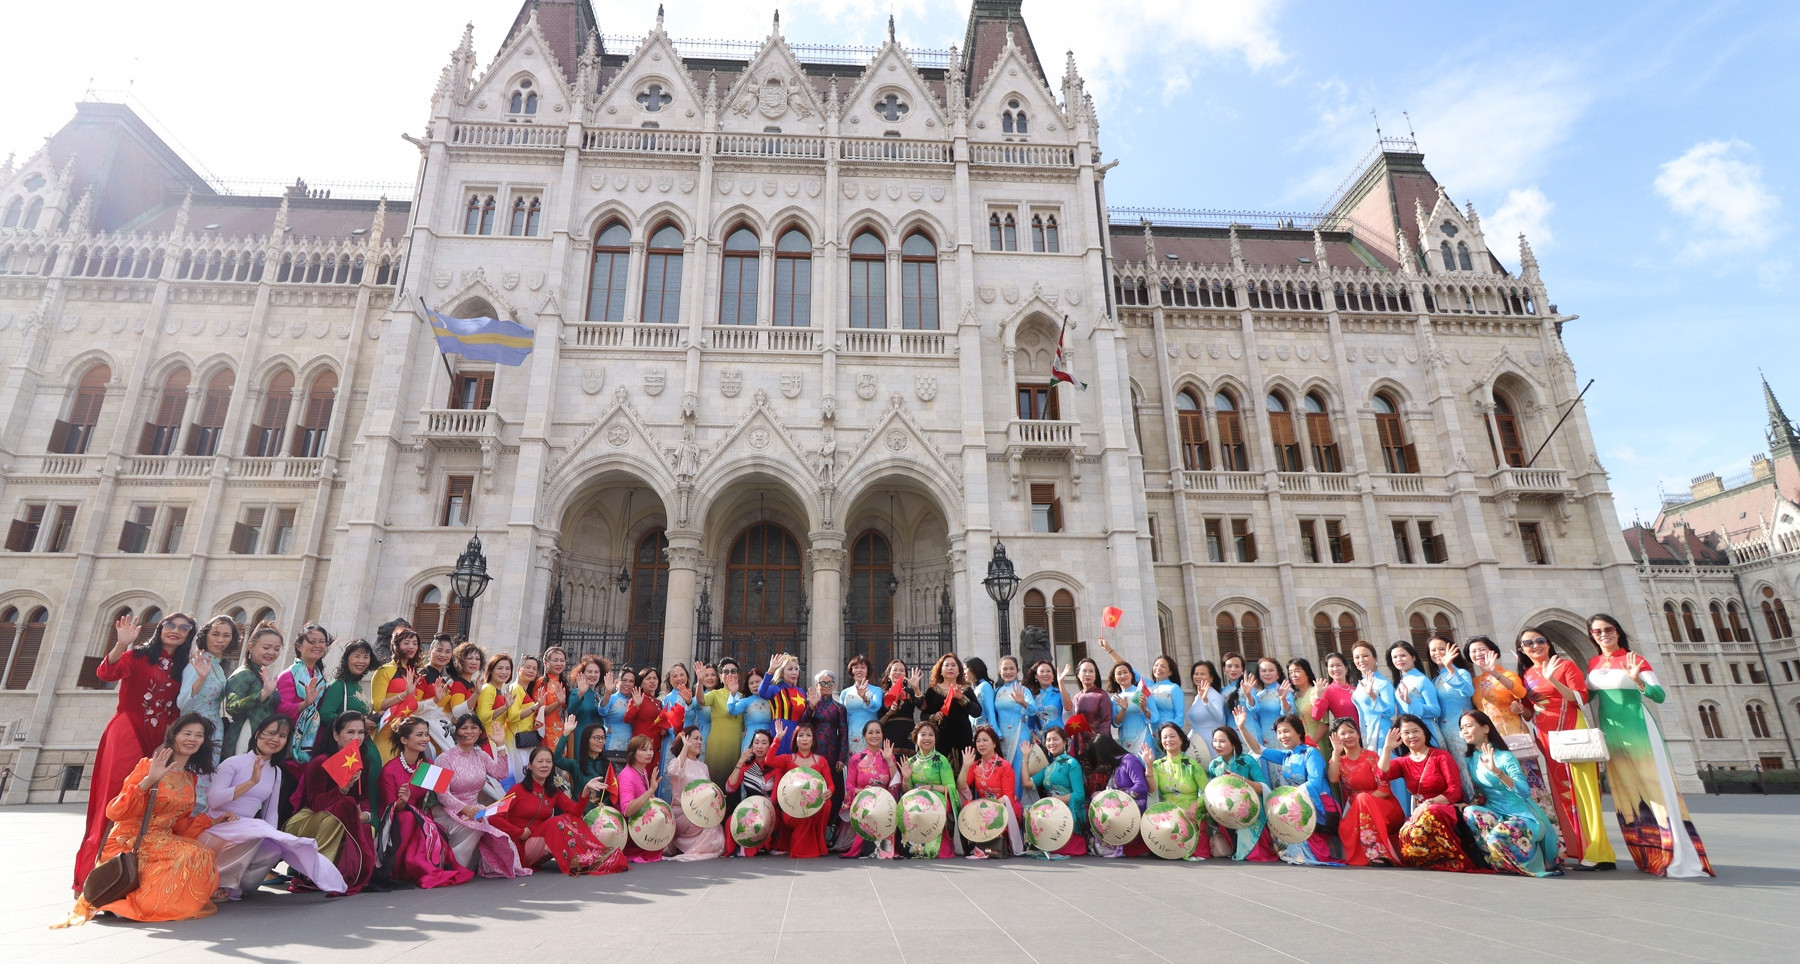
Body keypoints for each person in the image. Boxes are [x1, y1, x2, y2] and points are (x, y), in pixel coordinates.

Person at [73, 610, 196, 891]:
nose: (176, 630)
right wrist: (121, 643)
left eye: (184, 627)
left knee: (146, 802)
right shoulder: (137, 656)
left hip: (159, 738)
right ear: (160, 627)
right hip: (127, 731)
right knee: (117, 796)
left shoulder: (184, 666)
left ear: (189, 635)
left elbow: (178, 706)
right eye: (170, 624)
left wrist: (167, 741)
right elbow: (106, 672)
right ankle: (94, 877)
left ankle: (128, 876)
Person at [59, 713, 220, 926]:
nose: (192, 739)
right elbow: (116, 812)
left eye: (199, 735)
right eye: (187, 733)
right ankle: (129, 904)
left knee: (203, 853)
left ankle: (165, 901)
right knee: (187, 853)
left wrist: (211, 821)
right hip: (130, 838)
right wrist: (150, 779)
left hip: (162, 838)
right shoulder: (147, 765)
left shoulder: (190, 778)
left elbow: (179, 824)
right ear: (174, 736)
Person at [1586, 613, 1714, 878]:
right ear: (1592, 636)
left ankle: (1672, 854)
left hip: (1639, 729)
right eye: (1597, 632)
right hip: (1613, 734)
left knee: (1654, 791)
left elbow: (1659, 695)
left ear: (1618, 631)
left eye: (1608, 629)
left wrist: (1638, 680)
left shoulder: (1635, 659)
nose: (1603, 635)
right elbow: (1585, 695)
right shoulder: (1594, 663)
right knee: (1627, 795)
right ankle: (1647, 855)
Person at [201, 715, 347, 898]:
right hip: (218, 825)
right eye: (270, 733)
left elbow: (271, 812)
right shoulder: (233, 763)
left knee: (274, 848)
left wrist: (273, 836)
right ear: (257, 735)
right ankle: (219, 884)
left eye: (282, 736)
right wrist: (250, 783)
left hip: (247, 827)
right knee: (256, 833)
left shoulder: (276, 771)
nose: (275, 739)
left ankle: (239, 886)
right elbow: (213, 800)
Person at [1517, 627, 1616, 870]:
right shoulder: (1527, 674)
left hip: (1571, 730)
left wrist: (1552, 680)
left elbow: (1580, 698)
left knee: (1583, 792)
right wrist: (1521, 711)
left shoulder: (1566, 666)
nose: (1535, 645)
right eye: (1528, 643)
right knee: (1562, 793)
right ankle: (1576, 850)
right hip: (1546, 737)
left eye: (1540, 640)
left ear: (1548, 643)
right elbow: (1531, 713)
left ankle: (1599, 852)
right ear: (1522, 649)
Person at [492, 746, 627, 875]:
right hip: (521, 847)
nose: (545, 765)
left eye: (548, 762)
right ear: (530, 766)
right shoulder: (517, 790)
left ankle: (591, 855)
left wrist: (585, 791)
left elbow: (575, 812)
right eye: (540, 761)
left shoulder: (552, 792)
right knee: (555, 822)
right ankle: (581, 858)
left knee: (570, 818)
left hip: (540, 843)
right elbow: (493, 817)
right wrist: (519, 832)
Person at [283, 712, 377, 894]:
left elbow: (363, 798)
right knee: (339, 813)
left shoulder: (361, 761)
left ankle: (343, 872)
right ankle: (317, 873)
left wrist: (366, 815)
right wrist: (343, 788)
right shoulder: (321, 762)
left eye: (361, 732)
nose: (356, 737)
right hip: (308, 820)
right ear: (335, 735)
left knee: (367, 828)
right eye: (350, 732)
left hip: (341, 816)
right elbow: (316, 804)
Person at [1459, 710, 1560, 877]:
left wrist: (1498, 772)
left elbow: (1524, 791)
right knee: (1469, 813)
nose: (1464, 731)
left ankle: (1528, 860)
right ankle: (1498, 862)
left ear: (1486, 728)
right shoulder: (1471, 759)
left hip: (1522, 817)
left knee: (1498, 836)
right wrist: (1468, 804)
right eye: (1462, 728)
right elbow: (1480, 792)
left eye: (1469, 726)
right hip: (1496, 814)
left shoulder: (1505, 757)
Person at [430, 713, 530, 878]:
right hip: (447, 811)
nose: (469, 731)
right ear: (457, 732)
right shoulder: (444, 758)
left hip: (475, 811)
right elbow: (442, 795)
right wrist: (466, 809)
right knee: (473, 826)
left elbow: (501, 772)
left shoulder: (480, 755)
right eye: (464, 727)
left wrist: (500, 746)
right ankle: (453, 866)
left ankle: (472, 865)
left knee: (491, 828)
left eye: (474, 727)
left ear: (479, 732)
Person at [378, 717, 474, 888]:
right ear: (404, 740)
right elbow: (388, 811)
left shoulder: (428, 765)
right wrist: (402, 802)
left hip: (422, 816)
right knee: (408, 818)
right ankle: (405, 866)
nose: (425, 739)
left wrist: (463, 810)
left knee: (430, 823)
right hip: (397, 821)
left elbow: (441, 797)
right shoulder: (389, 770)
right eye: (420, 734)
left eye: (427, 735)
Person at [1236, 708, 1340, 865]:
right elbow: (1258, 749)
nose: (1282, 736)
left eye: (1286, 731)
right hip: (1298, 803)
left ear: (1298, 732)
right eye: (1279, 732)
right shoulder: (1286, 756)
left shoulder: (1310, 753)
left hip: (1319, 805)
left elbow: (1315, 783)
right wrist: (1242, 728)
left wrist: (1289, 797)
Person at [1379, 713, 1476, 872]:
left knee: (1430, 815)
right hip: (1421, 812)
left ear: (1424, 732)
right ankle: (1428, 859)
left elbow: (1455, 791)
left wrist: (1428, 804)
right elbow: (1382, 774)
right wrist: (1387, 748)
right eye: (1406, 733)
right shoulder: (1404, 762)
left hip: (1445, 808)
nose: (1412, 736)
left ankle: (1447, 858)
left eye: (1415, 731)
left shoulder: (1441, 756)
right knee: (1407, 831)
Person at [1327, 717, 1401, 866]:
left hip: (1384, 806)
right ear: (1335, 737)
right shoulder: (1338, 761)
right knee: (1348, 822)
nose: (1348, 736)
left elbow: (1384, 789)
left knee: (1362, 798)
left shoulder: (1371, 757)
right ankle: (1369, 856)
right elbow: (1333, 779)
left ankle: (1380, 854)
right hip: (1357, 809)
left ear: (1359, 734)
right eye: (1343, 733)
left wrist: (1363, 802)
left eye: (1351, 731)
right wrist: (1336, 752)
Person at [320, 639, 382, 815]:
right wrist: (360, 723)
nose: (361, 661)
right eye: (357, 656)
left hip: (365, 746)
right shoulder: (338, 686)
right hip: (348, 752)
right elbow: (325, 715)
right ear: (346, 658)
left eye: (366, 656)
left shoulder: (356, 686)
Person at [762, 722, 835, 858]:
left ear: (813, 739)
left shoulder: (821, 761)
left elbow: (830, 785)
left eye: (808, 735)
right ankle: (805, 849)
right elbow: (769, 760)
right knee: (802, 817)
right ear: (795, 739)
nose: (805, 738)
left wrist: (829, 792)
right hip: (793, 809)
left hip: (815, 806)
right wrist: (778, 738)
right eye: (801, 735)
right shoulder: (787, 759)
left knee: (828, 804)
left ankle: (819, 844)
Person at [1206, 726, 1277, 862]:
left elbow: (1264, 787)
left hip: (1250, 808)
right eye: (1214, 741)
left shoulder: (1246, 761)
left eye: (1222, 741)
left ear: (1233, 743)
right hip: (1225, 810)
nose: (1217, 745)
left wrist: (1242, 780)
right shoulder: (1214, 765)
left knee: (1254, 856)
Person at [177, 615, 240, 760]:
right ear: (206, 636)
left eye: (226, 635)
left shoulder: (217, 666)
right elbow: (182, 704)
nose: (220, 640)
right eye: (215, 634)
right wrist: (201, 678)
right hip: (195, 734)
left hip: (213, 733)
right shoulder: (197, 664)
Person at [1142, 722, 1208, 859]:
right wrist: (1148, 766)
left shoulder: (1192, 765)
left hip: (1190, 813)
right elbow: (1152, 790)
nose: (1168, 740)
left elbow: (1207, 792)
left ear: (1181, 740)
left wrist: (1195, 806)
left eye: (1172, 736)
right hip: (1168, 815)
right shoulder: (1157, 765)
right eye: (1164, 737)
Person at [957, 724, 1022, 859]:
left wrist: (989, 808)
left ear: (994, 743)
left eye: (985, 740)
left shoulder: (1004, 766)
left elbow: (1008, 796)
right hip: (984, 807)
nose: (981, 744)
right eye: (978, 741)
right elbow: (961, 786)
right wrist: (965, 766)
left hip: (1003, 807)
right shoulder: (975, 765)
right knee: (966, 804)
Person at [661, 725, 726, 860]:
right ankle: (683, 845)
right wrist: (685, 748)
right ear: (685, 740)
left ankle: (690, 847)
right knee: (710, 828)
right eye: (695, 739)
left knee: (714, 828)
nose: (699, 742)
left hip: (701, 813)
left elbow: (708, 790)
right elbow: (675, 772)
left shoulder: (703, 766)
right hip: (682, 812)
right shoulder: (676, 762)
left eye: (701, 739)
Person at [1351, 641, 1403, 808]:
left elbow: (1389, 711)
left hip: (1382, 736)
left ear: (1375, 658)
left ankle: (1403, 816)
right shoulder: (1360, 684)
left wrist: (1373, 696)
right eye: (1357, 657)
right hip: (1367, 737)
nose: (1361, 660)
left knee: (1389, 778)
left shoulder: (1383, 684)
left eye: (1365, 655)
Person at [221, 623, 285, 759]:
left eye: (276, 649)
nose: (271, 653)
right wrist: (263, 694)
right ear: (250, 646)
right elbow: (232, 707)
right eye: (266, 647)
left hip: (262, 737)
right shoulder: (244, 674)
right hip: (244, 736)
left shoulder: (261, 673)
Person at [1024, 725, 1089, 859]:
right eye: (1048, 740)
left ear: (1065, 742)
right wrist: (1025, 758)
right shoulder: (1048, 768)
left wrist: (1057, 801)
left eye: (1055, 739)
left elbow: (1079, 795)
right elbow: (1027, 783)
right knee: (1027, 810)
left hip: (1068, 811)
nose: (1051, 743)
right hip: (1053, 810)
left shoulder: (1072, 764)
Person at [840, 721, 900, 858]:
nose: (874, 735)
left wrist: (890, 761)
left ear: (882, 735)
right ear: (864, 736)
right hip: (863, 800)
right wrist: (863, 792)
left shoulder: (889, 757)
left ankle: (882, 847)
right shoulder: (856, 759)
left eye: (878, 732)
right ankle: (863, 845)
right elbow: (849, 786)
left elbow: (895, 784)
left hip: (884, 802)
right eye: (870, 732)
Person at [1428, 634, 1477, 800]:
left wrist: (1450, 668)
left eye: (1441, 649)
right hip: (1444, 731)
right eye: (1433, 650)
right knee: (1456, 769)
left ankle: (1480, 805)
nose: (1437, 653)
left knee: (1468, 766)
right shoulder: (1435, 679)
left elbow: (1468, 691)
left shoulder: (1461, 672)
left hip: (1462, 728)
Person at [898, 720, 956, 859]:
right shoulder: (911, 762)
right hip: (917, 800)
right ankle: (910, 847)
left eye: (931, 735)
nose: (927, 738)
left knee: (926, 808)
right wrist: (905, 779)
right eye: (923, 734)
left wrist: (931, 788)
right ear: (916, 738)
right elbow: (908, 791)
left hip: (938, 798)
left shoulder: (941, 760)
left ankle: (930, 848)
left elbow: (951, 787)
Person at [802, 670, 849, 839]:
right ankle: (811, 828)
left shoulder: (839, 708)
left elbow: (844, 732)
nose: (827, 686)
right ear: (817, 685)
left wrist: (841, 758)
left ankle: (830, 828)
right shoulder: (813, 704)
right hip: (814, 752)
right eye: (823, 683)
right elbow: (803, 723)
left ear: (834, 685)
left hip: (832, 751)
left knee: (833, 790)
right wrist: (811, 707)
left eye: (830, 683)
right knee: (812, 788)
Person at [277, 623, 333, 764]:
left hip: (314, 741)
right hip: (289, 742)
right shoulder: (288, 675)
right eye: (312, 641)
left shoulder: (319, 677)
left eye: (322, 642)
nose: (318, 645)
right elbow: (281, 710)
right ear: (299, 646)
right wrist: (305, 704)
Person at [1086, 734, 1148, 857]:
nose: (1100, 760)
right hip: (1122, 805)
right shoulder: (1117, 765)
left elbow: (1141, 787)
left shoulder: (1129, 760)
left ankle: (1110, 846)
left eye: (1099, 756)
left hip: (1135, 805)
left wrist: (1120, 797)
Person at [370, 628, 426, 762]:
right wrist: (404, 694)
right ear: (396, 645)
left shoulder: (415, 674)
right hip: (385, 736)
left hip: (408, 740)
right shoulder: (385, 670)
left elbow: (413, 706)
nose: (411, 646)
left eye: (414, 643)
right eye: (406, 643)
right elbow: (377, 705)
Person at [476, 653, 536, 779]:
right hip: (487, 741)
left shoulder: (501, 692)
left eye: (507, 668)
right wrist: (505, 707)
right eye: (500, 668)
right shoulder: (488, 689)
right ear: (491, 670)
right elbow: (481, 718)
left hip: (497, 742)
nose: (504, 672)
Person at [922, 654, 980, 770]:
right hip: (941, 738)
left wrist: (961, 698)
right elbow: (924, 715)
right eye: (946, 665)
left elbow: (977, 711)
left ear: (959, 670)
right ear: (941, 671)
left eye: (953, 665)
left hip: (963, 737)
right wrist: (934, 716)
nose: (950, 668)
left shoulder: (966, 689)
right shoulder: (933, 690)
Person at [991, 655, 1033, 798]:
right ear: (999, 671)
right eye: (1005, 669)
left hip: (1020, 735)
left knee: (1017, 770)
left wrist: (1023, 702)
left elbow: (1034, 710)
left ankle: (1017, 808)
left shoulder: (1022, 690)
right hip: (1001, 737)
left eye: (1011, 668)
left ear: (1017, 670)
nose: (1008, 672)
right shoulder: (997, 691)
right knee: (1002, 771)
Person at [617, 734, 663, 863]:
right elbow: (627, 810)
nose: (649, 753)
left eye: (651, 749)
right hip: (631, 831)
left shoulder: (642, 771)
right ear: (633, 753)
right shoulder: (627, 775)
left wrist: (651, 793)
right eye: (644, 749)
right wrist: (651, 791)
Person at [701, 658, 745, 782]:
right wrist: (700, 681)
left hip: (736, 748)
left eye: (733, 671)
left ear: (738, 675)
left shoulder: (743, 698)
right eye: (726, 672)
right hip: (717, 747)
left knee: (733, 786)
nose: (730, 674)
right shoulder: (714, 694)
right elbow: (700, 700)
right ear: (720, 676)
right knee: (715, 787)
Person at [1059, 657, 1112, 758]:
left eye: (1091, 671)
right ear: (1078, 675)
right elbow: (1074, 721)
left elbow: (1106, 721)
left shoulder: (1101, 695)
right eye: (1084, 671)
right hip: (1079, 745)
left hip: (1098, 746)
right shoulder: (1077, 697)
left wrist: (1098, 743)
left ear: (1095, 675)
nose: (1087, 674)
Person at [1309, 652, 1360, 754]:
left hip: (1364, 735)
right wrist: (1318, 696)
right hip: (1346, 738)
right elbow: (1316, 716)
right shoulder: (1327, 690)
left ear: (1346, 668)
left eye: (1338, 665)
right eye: (1331, 666)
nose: (1335, 669)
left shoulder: (1357, 689)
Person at [555, 720, 612, 808]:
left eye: (603, 738)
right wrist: (566, 734)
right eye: (597, 738)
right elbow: (556, 759)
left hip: (599, 815)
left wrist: (605, 803)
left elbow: (612, 792)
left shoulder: (608, 766)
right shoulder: (576, 765)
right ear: (586, 740)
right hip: (578, 814)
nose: (601, 741)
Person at [759, 653, 809, 753]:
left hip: (797, 733)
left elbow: (805, 716)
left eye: (796, 669)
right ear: (782, 673)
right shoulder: (775, 689)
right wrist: (771, 670)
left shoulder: (801, 692)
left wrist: (812, 705)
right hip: (779, 732)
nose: (794, 672)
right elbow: (762, 692)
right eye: (790, 669)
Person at [1102, 655, 1150, 755]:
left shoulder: (1141, 692)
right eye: (1119, 673)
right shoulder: (1115, 698)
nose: (1123, 676)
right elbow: (1115, 723)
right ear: (1115, 678)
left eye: (1125, 672)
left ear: (1131, 675)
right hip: (1124, 740)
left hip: (1143, 736)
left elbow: (1153, 716)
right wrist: (1123, 709)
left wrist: (1145, 708)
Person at [840, 656, 884, 756]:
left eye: (863, 667)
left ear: (868, 671)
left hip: (872, 735)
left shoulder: (876, 690)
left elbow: (877, 706)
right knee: (854, 766)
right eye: (856, 667)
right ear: (851, 671)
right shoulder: (845, 692)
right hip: (852, 735)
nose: (859, 670)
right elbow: (841, 717)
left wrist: (864, 698)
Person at [1278, 657, 1327, 749]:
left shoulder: (1316, 691)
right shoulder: (1294, 696)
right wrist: (1283, 699)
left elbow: (1324, 724)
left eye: (1297, 671)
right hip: (1299, 745)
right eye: (1290, 673)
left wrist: (1310, 745)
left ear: (1307, 672)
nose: (1293, 675)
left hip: (1316, 745)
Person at [1183, 661, 1227, 761]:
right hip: (1197, 744)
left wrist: (1206, 701)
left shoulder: (1214, 695)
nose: (1198, 676)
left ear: (1211, 678)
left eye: (1202, 674)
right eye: (1196, 673)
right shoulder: (1198, 696)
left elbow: (1219, 716)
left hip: (1212, 742)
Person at [877, 660, 922, 753]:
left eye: (901, 670)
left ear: (905, 674)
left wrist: (916, 688)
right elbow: (879, 723)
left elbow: (923, 707)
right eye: (895, 670)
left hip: (908, 736)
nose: (898, 672)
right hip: (889, 736)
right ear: (889, 675)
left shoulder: (911, 692)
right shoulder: (882, 695)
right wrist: (889, 713)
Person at [531, 646, 570, 752]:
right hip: (546, 734)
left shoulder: (562, 683)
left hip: (562, 733)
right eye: (555, 660)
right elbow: (540, 711)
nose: (559, 663)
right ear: (545, 662)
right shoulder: (540, 683)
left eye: (562, 660)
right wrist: (558, 703)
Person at [733, 665, 776, 754]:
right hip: (751, 742)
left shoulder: (772, 700)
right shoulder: (745, 702)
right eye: (751, 683)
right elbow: (732, 710)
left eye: (758, 682)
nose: (755, 685)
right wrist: (732, 694)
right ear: (747, 686)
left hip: (770, 741)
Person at [1025, 659, 1065, 742]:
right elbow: (1030, 724)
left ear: (1053, 675)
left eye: (1048, 671)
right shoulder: (1033, 698)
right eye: (1042, 671)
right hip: (1041, 742)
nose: (1045, 674)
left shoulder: (1059, 693)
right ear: (1036, 676)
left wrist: (1061, 683)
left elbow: (1068, 708)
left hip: (1059, 739)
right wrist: (1033, 735)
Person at [965, 656, 999, 734]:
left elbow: (990, 711)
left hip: (983, 730)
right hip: (975, 730)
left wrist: (994, 732)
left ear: (974, 669)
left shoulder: (985, 686)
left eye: (965, 668)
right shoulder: (976, 688)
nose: (964, 672)